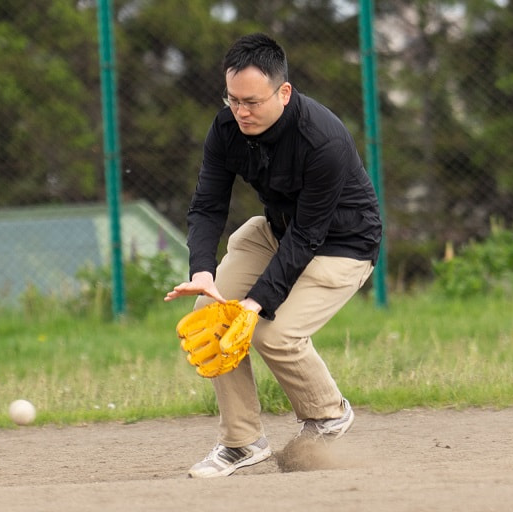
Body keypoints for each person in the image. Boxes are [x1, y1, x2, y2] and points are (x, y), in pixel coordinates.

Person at [164, 33, 382, 478]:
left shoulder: (322, 139)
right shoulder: (227, 127)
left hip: (343, 244)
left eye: (252, 102)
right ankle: (242, 442)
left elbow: (308, 235)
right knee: (212, 316)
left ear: (284, 92)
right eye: (233, 99)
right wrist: (203, 270)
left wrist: (257, 301)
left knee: (271, 335)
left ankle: (327, 414)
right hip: (280, 232)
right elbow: (207, 204)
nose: (241, 111)